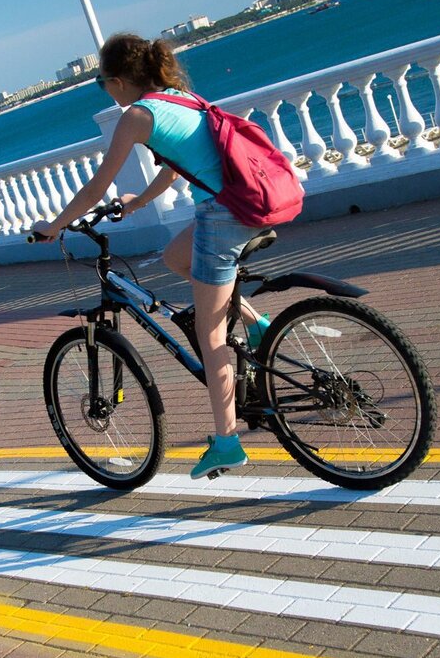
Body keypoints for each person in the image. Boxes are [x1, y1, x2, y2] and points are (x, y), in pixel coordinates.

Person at [31, 32, 271, 479]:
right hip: (246, 201)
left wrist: (55, 226)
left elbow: (97, 186)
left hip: (225, 216)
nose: (106, 90)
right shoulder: (178, 98)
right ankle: (260, 326)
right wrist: (139, 202)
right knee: (175, 257)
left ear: (118, 81)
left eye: (102, 83)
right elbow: (174, 165)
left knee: (211, 336)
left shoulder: (136, 116)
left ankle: (226, 442)